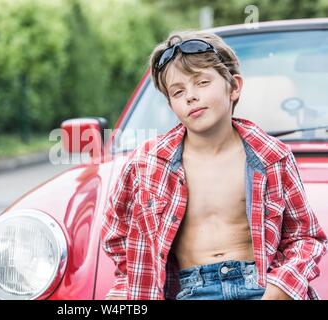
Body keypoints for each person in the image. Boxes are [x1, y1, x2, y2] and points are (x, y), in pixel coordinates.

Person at [100, 31, 327, 300]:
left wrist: (281, 289)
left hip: (263, 287)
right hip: (192, 290)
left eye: (202, 82)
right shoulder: (146, 164)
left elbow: (305, 238)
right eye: (178, 91)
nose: (190, 96)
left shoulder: (273, 156)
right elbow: (117, 235)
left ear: (234, 87)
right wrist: (131, 285)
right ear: (171, 104)